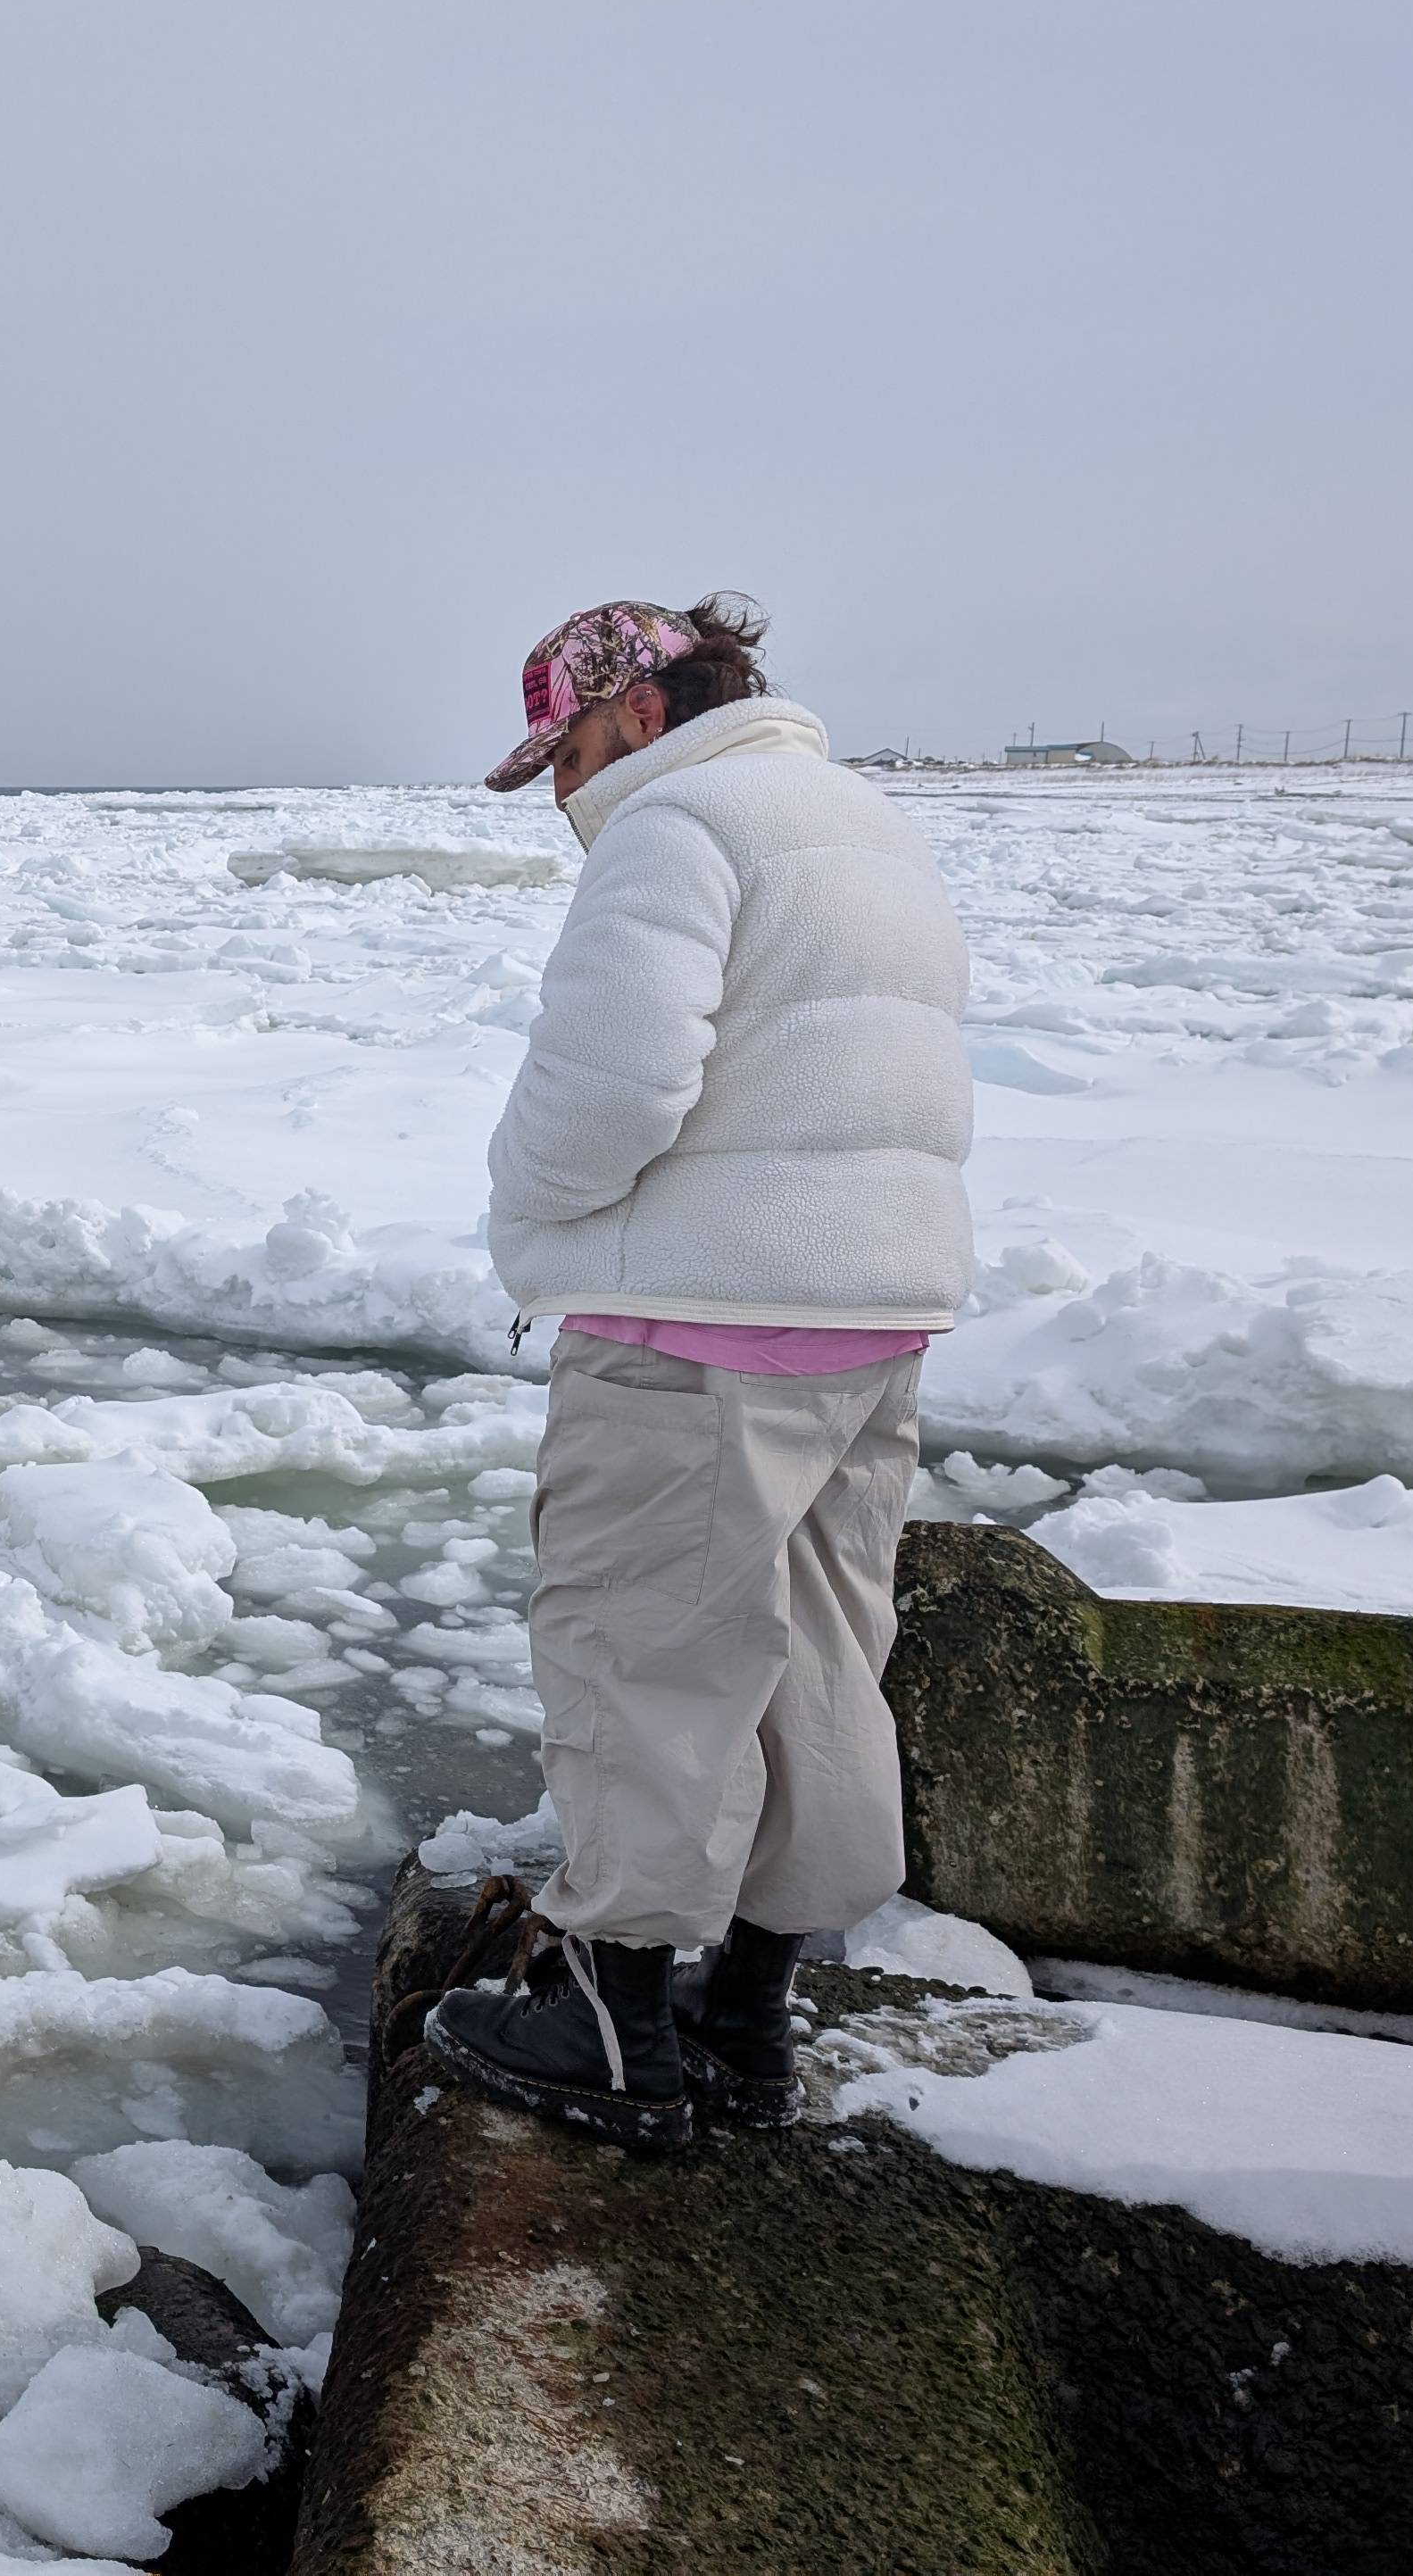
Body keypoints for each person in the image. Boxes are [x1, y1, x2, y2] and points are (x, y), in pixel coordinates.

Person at [424, 595, 973, 2150]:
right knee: (814, 1658)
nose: (560, 792)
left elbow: (610, 1085)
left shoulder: (677, 827)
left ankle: (608, 2017)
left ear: (642, 718)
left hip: (699, 1325)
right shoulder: (860, 821)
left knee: (642, 1655)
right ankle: (748, 2015)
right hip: (874, 1315)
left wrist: (531, 1224)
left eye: (567, 751)